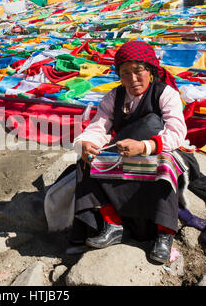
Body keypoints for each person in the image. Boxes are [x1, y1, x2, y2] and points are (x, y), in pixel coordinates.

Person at [71, 40, 188, 264]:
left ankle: (164, 234)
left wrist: (145, 146)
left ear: (151, 70)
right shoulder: (114, 97)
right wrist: (85, 144)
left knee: (165, 166)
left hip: (159, 150)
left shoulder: (166, 94)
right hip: (124, 151)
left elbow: (176, 132)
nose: (132, 79)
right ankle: (113, 224)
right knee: (86, 163)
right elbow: (99, 127)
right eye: (125, 73)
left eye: (138, 71)